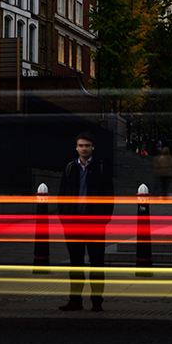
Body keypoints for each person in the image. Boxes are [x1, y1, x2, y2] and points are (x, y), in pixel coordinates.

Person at [58, 132, 114, 313]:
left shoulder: (101, 168)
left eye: (87, 145)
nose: (84, 148)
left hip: (94, 222)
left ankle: (97, 301)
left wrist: (104, 219)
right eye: (81, 145)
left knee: (97, 263)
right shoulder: (69, 168)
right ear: (76, 147)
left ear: (93, 147)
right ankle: (75, 300)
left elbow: (109, 196)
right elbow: (62, 195)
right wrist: (64, 218)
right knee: (76, 264)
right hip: (73, 222)